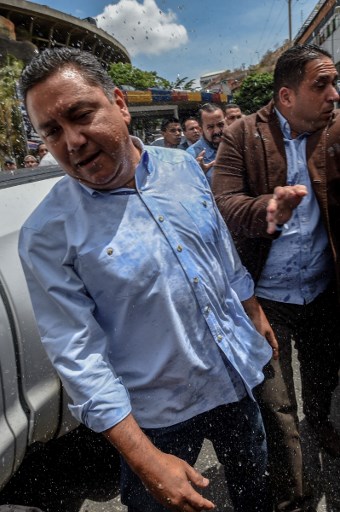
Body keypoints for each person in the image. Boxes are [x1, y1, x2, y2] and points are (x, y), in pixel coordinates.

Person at [18, 47, 278, 512]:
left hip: (234, 377)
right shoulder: (47, 234)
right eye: (52, 131)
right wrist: (146, 460)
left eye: (81, 115)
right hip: (157, 421)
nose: (72, 140)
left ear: (119, 103)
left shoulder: (181, 168)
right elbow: (77, 356)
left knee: (255, 492)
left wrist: (251, 307)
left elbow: (219, 246)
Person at [212, 43, 340, 512]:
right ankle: (295, 499)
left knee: (323, 375)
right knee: (278, 405)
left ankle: (321, 422)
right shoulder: (242, 135)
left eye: (334, 83)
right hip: (266, 300)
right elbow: (222, 204)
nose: (333, 95)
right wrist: (265, 208)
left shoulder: (336, 131)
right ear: (286, 97)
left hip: (324, 292)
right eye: (320, 84)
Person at [186, 103, 225, 185]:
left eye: (220, 125)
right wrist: (198, 176)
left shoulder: (235, 146)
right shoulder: (191, 155)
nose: (217, 131)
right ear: (201, 130)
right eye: (210, 127)